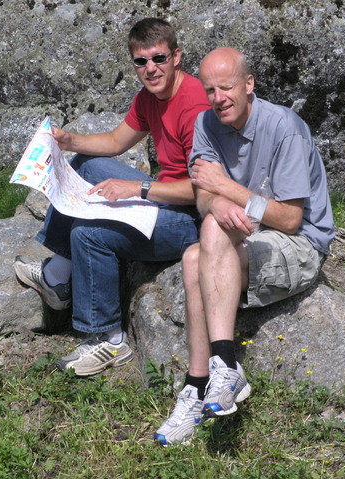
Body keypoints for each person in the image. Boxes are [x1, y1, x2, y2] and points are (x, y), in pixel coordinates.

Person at [154, 47, 335, 446]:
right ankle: (203, 383)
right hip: (248, 233)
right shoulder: (206, 123)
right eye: (210, 89)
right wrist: (216, 200)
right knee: (195, 250)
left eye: (228, 86)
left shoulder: (284, 127)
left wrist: (227, 190)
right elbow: (203, 196)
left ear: (249, 84)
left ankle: (217, 369)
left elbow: (289, 218)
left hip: (300, 241)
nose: (218, 98)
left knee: (202, 246)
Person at [14, 18, 210, 376]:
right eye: (141, 61)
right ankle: (59, 273)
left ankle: (109, 339)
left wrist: (136, 189)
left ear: (176, 57)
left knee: (89, 235)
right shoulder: (150, 97)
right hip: (165, 197)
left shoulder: (195, 106)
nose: (151, 69)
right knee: (87, 163)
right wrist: (69, 141)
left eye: (159, 59)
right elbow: (117, 142)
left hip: (194, 217)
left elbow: (203, 190)